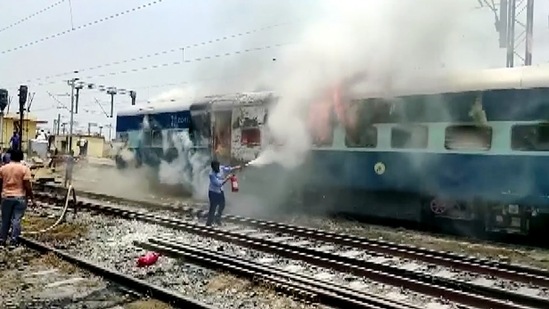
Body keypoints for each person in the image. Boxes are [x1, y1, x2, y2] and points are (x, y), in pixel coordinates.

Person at [0, 149, 34, 248]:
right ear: (21, 158)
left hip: (5, 197)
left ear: (11, 157)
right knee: (16, 220)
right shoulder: (24, 169)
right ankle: (13, 241)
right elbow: (28, 186)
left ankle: (2, 240)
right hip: (20, 198)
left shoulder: (3, 168)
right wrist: (32, 198)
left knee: (4, 219)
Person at [206, 160, 241, 226]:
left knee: (222, 205)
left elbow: (228, 169)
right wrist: (227, 178)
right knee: (213, 207)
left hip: (220, 191)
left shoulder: (221, 168)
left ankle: (217, 219)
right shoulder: (211, 174)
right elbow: (219, 184)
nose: (217, 168)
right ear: (213, 168)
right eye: (215, 167)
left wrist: (236, 168)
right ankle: (209, 223)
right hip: (213, 192)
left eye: (217, 167)